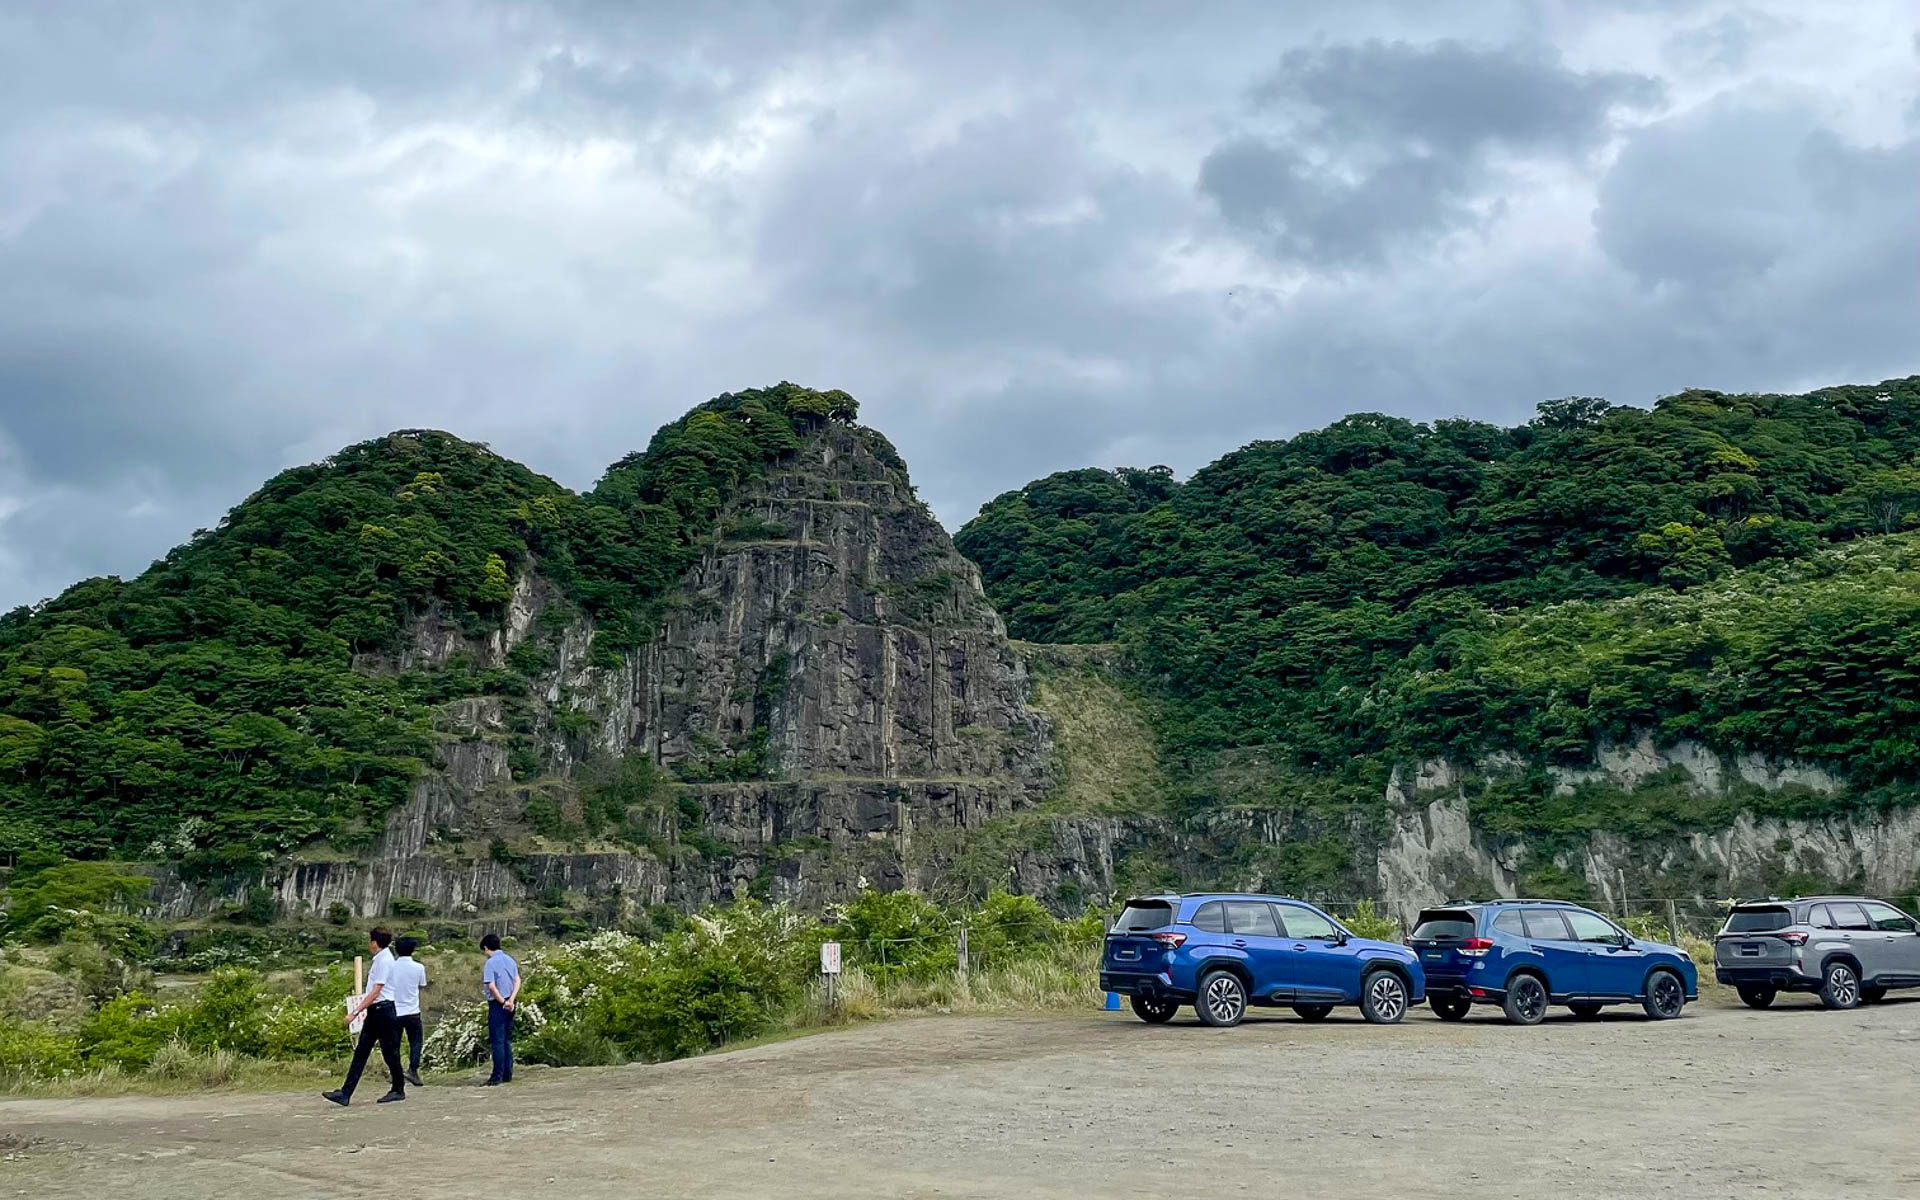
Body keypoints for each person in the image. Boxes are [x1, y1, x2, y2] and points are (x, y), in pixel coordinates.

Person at [323, 928, 405, 1106]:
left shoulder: (384, 961)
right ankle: (345, 1092)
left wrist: (355, 1012)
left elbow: (376, 991)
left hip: (383, 1010)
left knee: (389, 1052)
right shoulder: (381, 959)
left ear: (374, 943)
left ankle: (398, 1088)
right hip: (376, 1011)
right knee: (361, 1051)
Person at [479, 932, 521, 1085]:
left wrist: (503, 1001)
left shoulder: (491, 963)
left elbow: (491, 986)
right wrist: (511, 999)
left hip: (498, 1004)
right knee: (506, 1040)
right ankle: (507, 1074)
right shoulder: (510, 960)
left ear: (486, 947)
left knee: (497, 1040)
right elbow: (517, 980)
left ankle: (496, 1076)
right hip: (511, 1001)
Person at [389, 936, 428, 1088]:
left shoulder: (391, 966)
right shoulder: (419, 967)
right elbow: (421, 985)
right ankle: (413, 1070)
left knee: (394, 1044)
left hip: (394, 1010)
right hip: (412, 1010)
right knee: (416, 1042)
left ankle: (395, 1073)